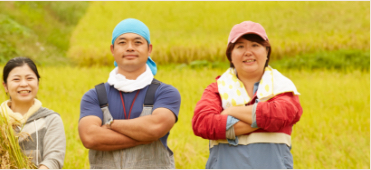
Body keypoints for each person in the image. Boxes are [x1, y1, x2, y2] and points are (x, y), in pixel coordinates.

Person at [192, 21, 303, 169]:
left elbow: (282, 114)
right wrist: (263, 121)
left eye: (255, 45)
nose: (248, 52)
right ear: (230, 55)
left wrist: (230, 112)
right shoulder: (217, 89)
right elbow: (202, 123)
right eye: (240, 46)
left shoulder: (282, 87)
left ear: (267, 52)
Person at [77, 18, 181, 169]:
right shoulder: (95, 95)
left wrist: (111, 125)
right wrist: (144, 136)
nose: (130, 48)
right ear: (113, 50)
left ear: (149, 49)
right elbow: (89, 137)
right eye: (122, 42)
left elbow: (155, 127)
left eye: (138, 42)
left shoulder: (165, 92)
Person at [0, 57, 66, 169]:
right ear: (5, 86)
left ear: (38, 83)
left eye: (29, 78)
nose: (24, 84)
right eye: (16, 79)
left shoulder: (50, 120)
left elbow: (54, 159)